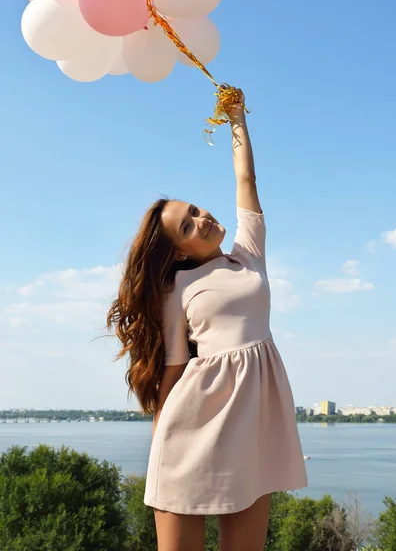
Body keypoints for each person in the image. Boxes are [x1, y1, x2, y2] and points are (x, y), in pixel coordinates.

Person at [107, 92, 308, 551]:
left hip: (254, 423)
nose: (202, 219)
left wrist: (236, 119)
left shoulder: (248, 255)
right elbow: (174, 368)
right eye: (187, 225)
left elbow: (246, 178)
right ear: (178, 251)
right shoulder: (174, 291)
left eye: (196, 210)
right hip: (192, 426)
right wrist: (159, 438)